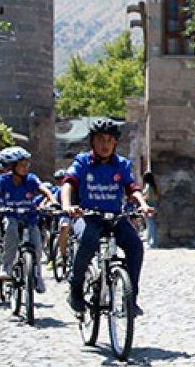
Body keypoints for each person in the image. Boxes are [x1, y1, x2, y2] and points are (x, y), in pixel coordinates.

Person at [61, 118, 153, 319]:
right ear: (92, 141)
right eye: (100, 139)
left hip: (115, 217)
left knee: (135, 246)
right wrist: (67, 205)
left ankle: (130, 298)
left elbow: (132, 188)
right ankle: (76, 288)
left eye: (110, 140)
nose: (105, 144)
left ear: (115, 143)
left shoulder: (121, 164)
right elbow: (68, 183)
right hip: (89, 216)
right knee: (88, 239)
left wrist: (143, 205)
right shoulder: (82, 162)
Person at [0, 147, 58, 293]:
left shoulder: (31, 179)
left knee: (37, 246)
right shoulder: (4, 179)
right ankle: (6, 267)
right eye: (21, 165)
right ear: (12, 166)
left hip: (30, 217)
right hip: (11, 216)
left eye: (27, 164)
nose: (25, 168)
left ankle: (37, 275)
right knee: (11, 230)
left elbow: (44, 190)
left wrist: (52, 201)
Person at [141, 170, 159, 249]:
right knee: (150, 225)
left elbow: (146, 197)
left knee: (150, 225)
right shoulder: (154, 186)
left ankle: (153, 243)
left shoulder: (148, 186)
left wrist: (141, 199)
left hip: (149, 207)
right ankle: (150, 242)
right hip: (153, 206)